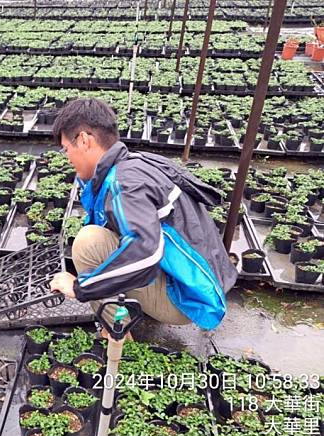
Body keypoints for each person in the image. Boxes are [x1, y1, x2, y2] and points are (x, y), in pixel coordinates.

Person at [49, 98, 238, 331]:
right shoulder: (133, 162)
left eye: (66, 149)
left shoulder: (126, 182)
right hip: (195, 279)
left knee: (88, 243)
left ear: (84, 140)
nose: (67, 158)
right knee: (102, 237)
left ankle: (116, 334)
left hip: (187, 296)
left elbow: (144, 256)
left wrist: (80, 287)